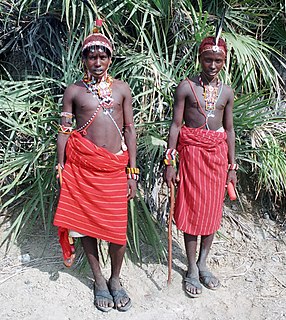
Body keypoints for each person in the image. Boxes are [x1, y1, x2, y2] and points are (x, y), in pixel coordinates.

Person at [53, 19, 138, 312]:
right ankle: (99, 281)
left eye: (102, 56)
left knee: (117, 231)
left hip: (115, 169)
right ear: (84, 59)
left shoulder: (122, 90)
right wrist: (60, 164)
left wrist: (133, 172)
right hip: (83, 169)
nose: (97, 61)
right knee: (86, 227)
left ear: (110, 58)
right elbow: (64, 130)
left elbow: (129, 130)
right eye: (92, 56)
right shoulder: (74, 91)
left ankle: (115, 280)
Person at [164, 37, 237, 298]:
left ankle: (203, 263)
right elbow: (175, 125)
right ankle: (191, 268)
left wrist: (232, 166)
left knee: (212, 212)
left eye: (218, 60)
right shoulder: (186, 87)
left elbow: (229, 130)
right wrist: (170, 161)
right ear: (199, 59)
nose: (213, 65)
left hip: (217, 158)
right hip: (192, 155)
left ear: (224, 62)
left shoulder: (226, 92)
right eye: (208, 59)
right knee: (192, 210)